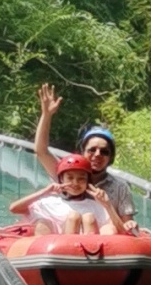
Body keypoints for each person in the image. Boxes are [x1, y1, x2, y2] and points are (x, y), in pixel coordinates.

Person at [34, 84, 138, 232]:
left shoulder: (120, 187)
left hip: (102, 239)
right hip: (66, 235)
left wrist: (128, 223)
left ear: (111, 157)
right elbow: (41, 151)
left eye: (104, 152)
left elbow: (128, 225)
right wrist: (46, 115)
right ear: (82, 152)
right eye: (92, 150)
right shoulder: (65, 173)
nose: (97, 155)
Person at [9, 154, 125, 236]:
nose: (75, 183)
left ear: (87, 182)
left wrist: (107, 205)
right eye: (70, 178)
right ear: (61, 179)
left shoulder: (97, 206)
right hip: (58, 253)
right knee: (72, 217)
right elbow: (14, 208)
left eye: (81, 179)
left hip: (91, 254)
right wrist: (44, 192)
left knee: (89, 218)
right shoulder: (49, 202)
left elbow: (122, 232)